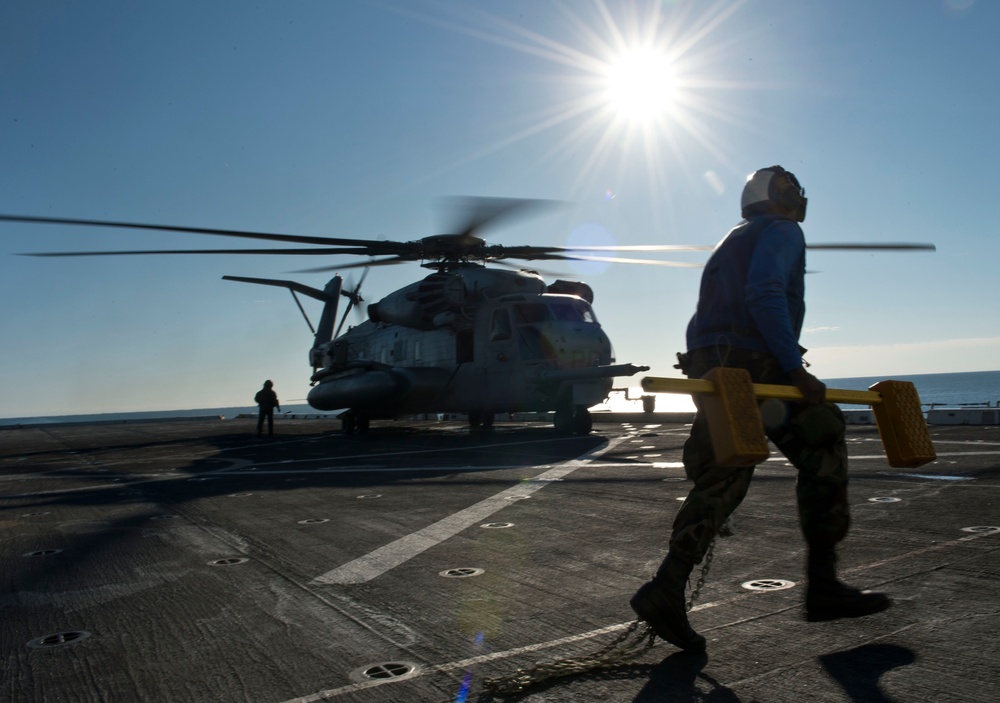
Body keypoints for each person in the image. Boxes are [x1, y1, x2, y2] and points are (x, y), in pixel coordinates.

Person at [631, 165, 889, 652]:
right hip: (753, 363)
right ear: (785, 196)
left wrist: (707, 374)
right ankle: (824, 586)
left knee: (727, 469)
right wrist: (793, 369)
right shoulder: (782, 230)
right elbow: (766, 291)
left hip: (714, 363)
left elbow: (701, 318)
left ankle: (666, 588)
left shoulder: (733, 239)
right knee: (825, 441)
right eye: (795, 190)